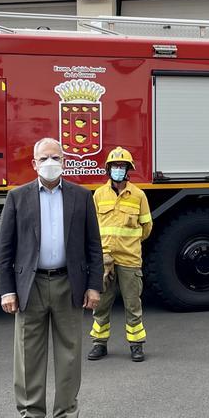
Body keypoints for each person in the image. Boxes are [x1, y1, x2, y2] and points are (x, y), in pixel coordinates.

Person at [0, 138, 103, 418]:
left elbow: (93, 246)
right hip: (30, 284)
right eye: (43, 158)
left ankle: (67, 414)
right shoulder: (17, 197)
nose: (50, 163)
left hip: (68, 282)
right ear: (34, 164)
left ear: (65, 160)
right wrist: (7, 290)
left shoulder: (81, 197)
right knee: (28, 354)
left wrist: (94, 286)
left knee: (69, 352)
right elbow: (5, 249)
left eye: (55, 157)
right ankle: (30, 415)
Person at [88, 147, 153, 362]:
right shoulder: (99, 195)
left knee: (133, 304)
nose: (118, 169)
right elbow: (92, 228)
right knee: (101, 304)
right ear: (108, 169)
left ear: (128, 170)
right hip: (104, 260)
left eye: (122, 166)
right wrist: (102, 253)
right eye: (115, 166)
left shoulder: (138, 195)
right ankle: (99, 344)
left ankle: (136, 345)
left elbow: (146, 227)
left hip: (129, 259)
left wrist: (128, 244)